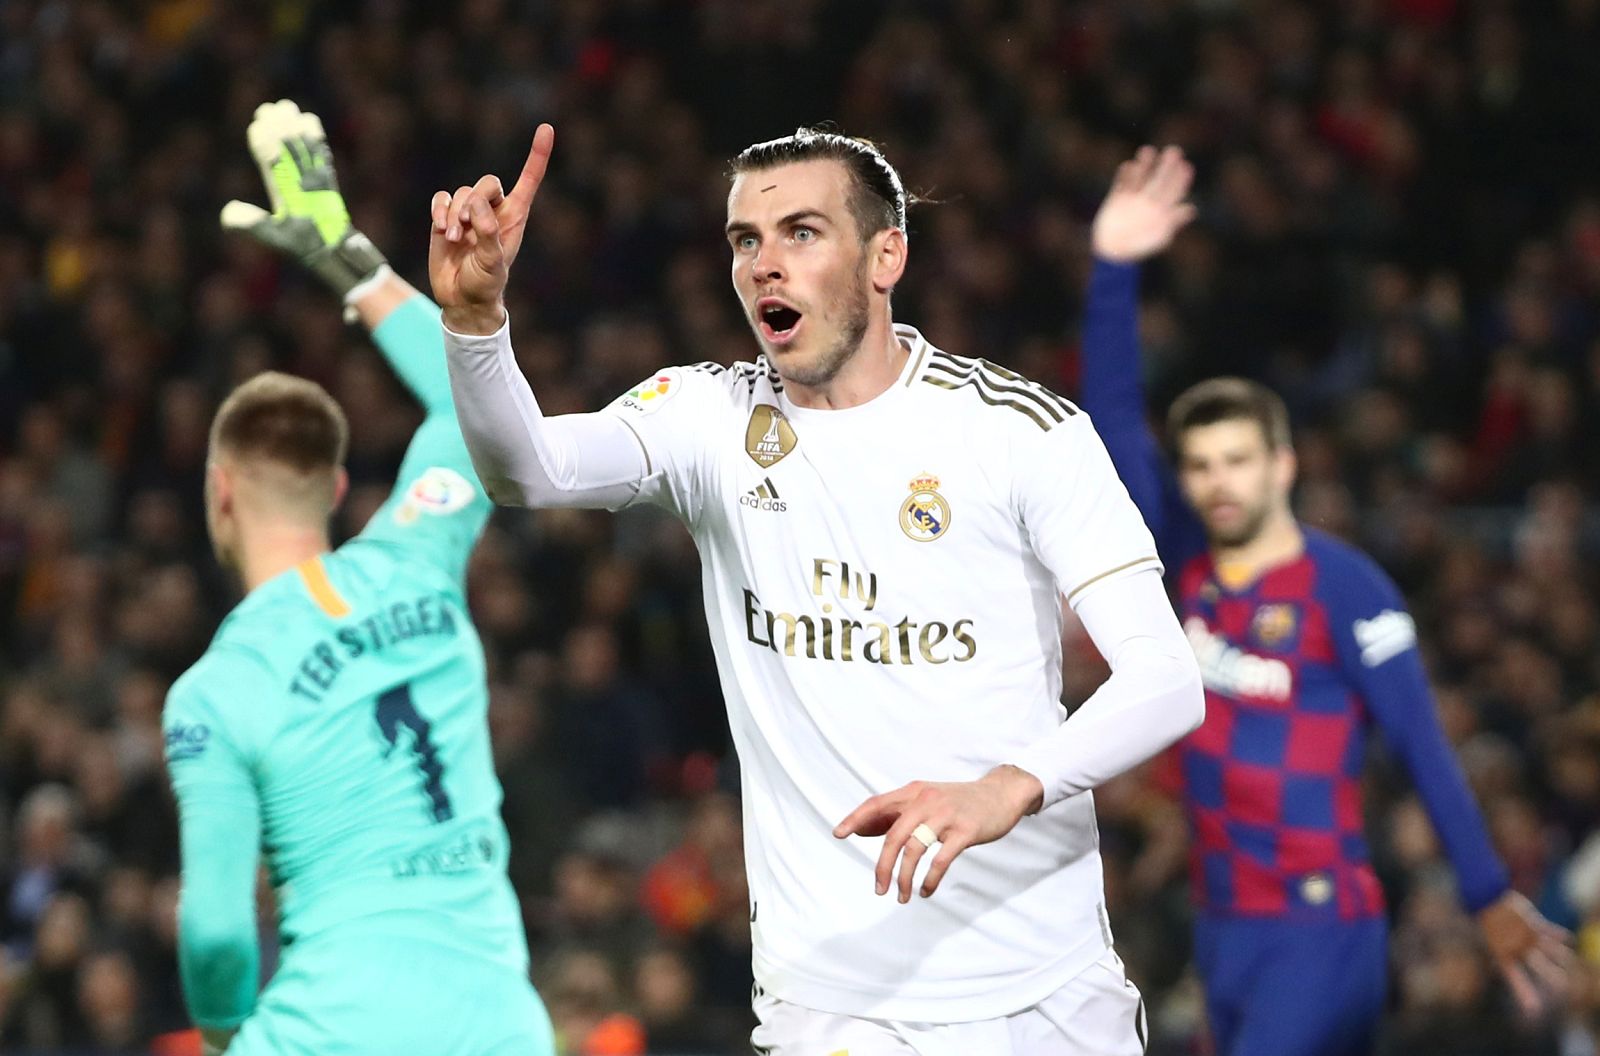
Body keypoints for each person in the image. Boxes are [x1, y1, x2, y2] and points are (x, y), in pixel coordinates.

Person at [428, 124, 1205, 1054]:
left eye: (801, 232)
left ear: (887, 255)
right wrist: (476, 328)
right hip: (828, 1005)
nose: (765, 265)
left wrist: (1010, 788)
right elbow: (531, 471)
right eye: (745, 240)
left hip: (1037, 990)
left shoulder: (1020, 431)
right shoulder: (706, 416)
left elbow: (1166, 678)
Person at [1079, 145, 1574, 1056]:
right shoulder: (1184, 568)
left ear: (1284, 464)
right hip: (1222, 930)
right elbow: (1109, 426)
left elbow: (1420, 740)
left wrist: (1485, 893)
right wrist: (1112, 270)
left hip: (1322, 925)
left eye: (1238, 459)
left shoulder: (1344, 587)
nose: (1219, 481)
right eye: (1200, 465)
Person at [163, 101, 555, 1056]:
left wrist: (224, 1035)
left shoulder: (215, 693)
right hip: (503, 1025)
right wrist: (351, 258)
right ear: (338, 487)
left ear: (220, 496)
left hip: (329, 1031)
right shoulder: (416, 557)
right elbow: (474, 410)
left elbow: (216, 931)